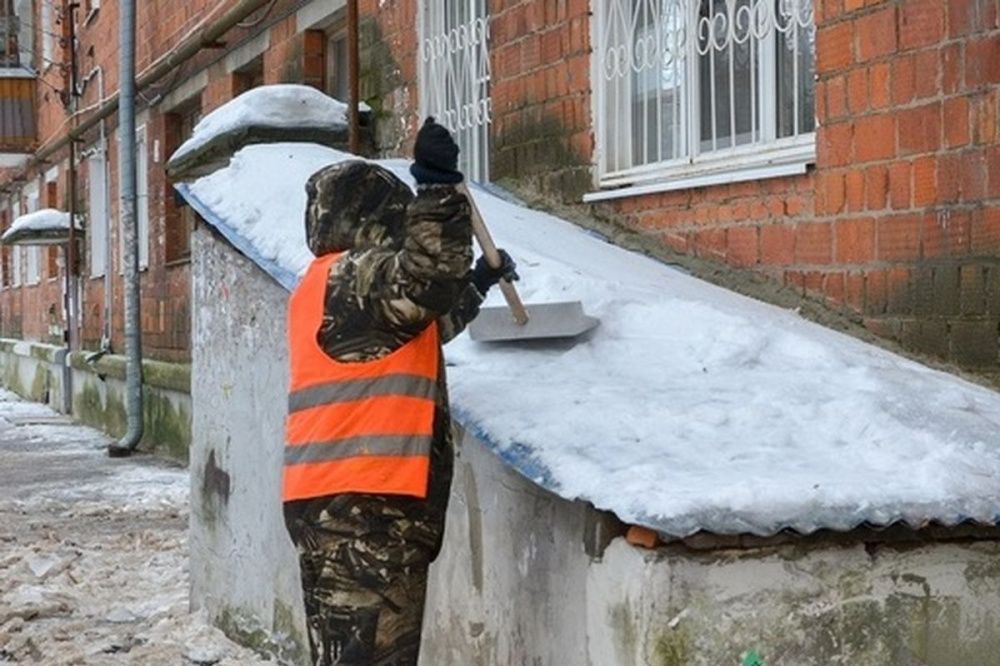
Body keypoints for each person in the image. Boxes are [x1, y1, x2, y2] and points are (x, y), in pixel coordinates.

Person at [281, 119, 517, 666]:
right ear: (370, 217)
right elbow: (427, 278)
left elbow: (418, 320)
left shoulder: (339, 288)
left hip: (347, 508)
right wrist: (437, 189)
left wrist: (478, 284)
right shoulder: (351, 275)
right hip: (364, 511)